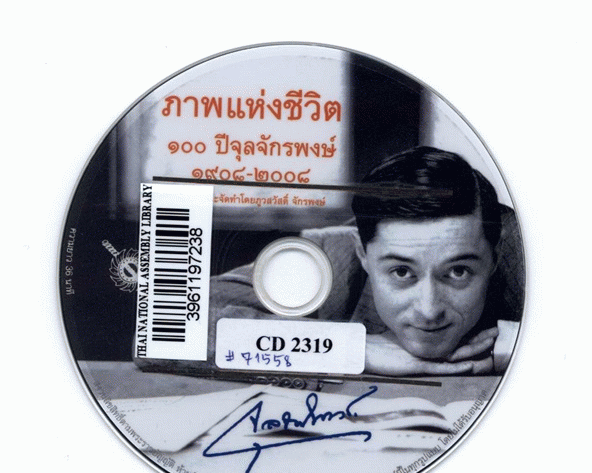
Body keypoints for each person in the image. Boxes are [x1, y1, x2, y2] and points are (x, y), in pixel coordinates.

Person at [209, 147, 524, 376]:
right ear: (363, 254)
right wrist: (349, 347)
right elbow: (191, 317)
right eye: (402, 272)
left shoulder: (526, 255)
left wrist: (519, 345)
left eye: (458, 271)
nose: (429, 311)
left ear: (494, 258)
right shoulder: (330, 255)